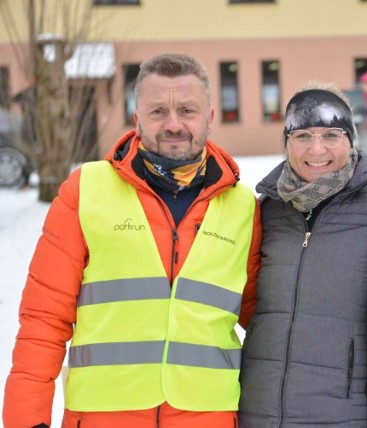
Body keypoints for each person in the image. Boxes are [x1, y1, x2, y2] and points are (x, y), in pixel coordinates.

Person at [2, 53, 262, 428]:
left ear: (209, 118)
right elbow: (43, 319)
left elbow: (268, 324)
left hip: (207, 418)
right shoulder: (86, 191)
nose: (173, 124)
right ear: (137, 119)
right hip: (103, 418)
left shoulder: (243, 208)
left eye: (187, 110)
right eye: (158, 112)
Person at [238, 82, 367, 427]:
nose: (316, 149)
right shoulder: (266, 213)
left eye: (331, 135)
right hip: (259, 412)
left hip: (343, 413)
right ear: (287, 143)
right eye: (303, 136)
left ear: (351, 140)